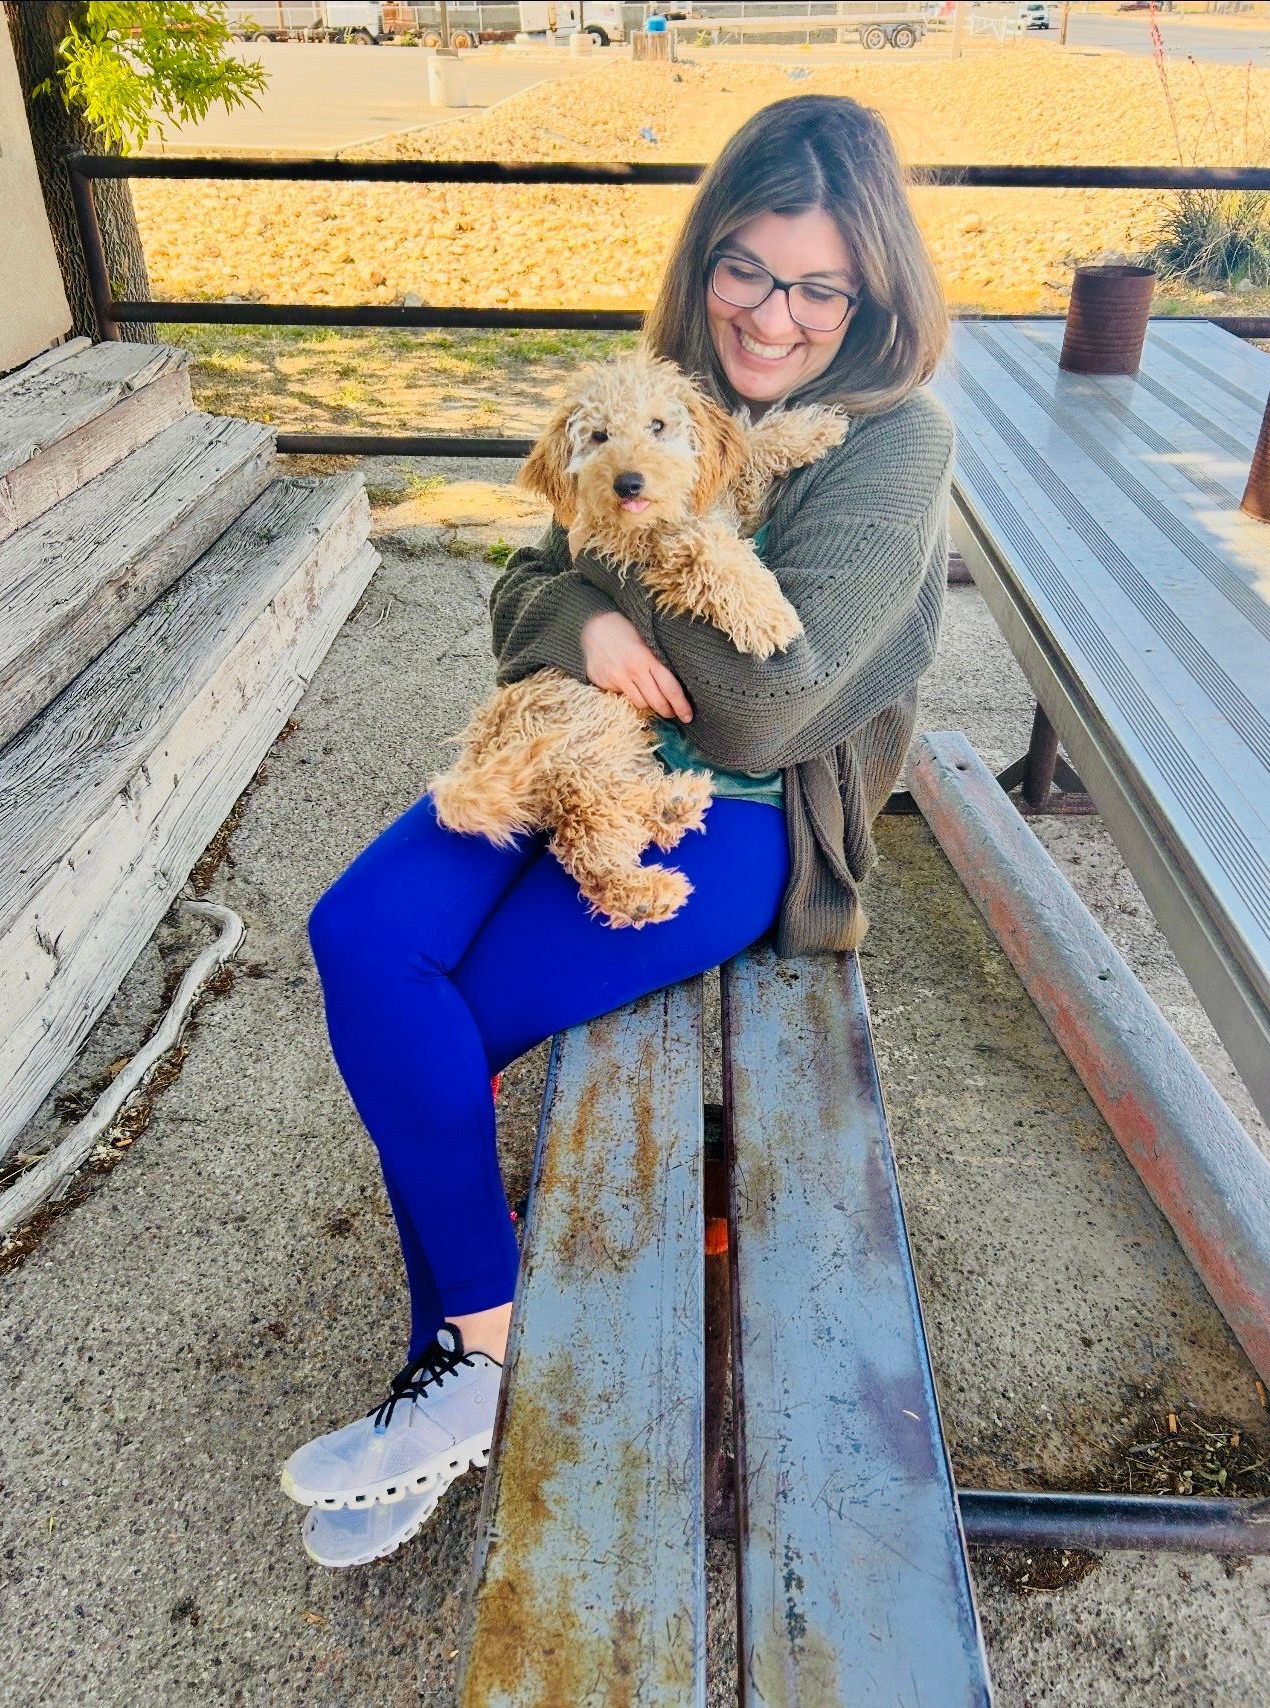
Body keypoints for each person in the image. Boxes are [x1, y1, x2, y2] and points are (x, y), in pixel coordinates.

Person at [280, 93, 954, 1569]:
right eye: (746, 268)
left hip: (735, 818)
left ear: (872, 289)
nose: (771, 316)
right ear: (704, 254)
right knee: (359, 937)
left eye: (817, 284)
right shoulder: (641, 383)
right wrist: (578, 617)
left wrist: (604, 573)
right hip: (559, 748)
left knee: (443, 1014)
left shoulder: (891, 449)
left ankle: (449, 1369)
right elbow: (520, 587)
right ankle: (492, 1339)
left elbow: (757, 713)